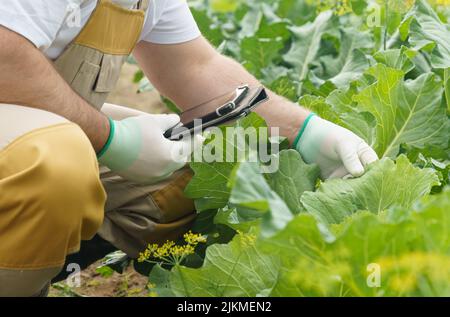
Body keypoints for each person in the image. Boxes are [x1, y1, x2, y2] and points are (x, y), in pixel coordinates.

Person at [0, 0, 378, 296]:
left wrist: (306, 130)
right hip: (27, 124)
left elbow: (196, 67)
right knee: (57, 165)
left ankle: (43, 251)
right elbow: (5, 57)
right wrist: (111, 139)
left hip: (31, 120)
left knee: (193, 177)